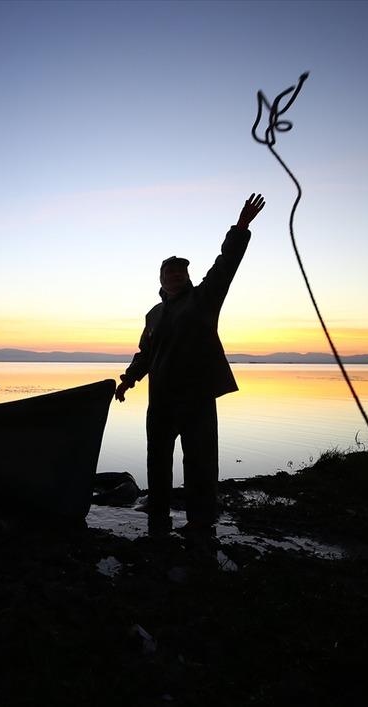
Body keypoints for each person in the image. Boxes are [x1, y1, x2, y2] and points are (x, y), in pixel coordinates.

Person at [115, 193, 266, 535]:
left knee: (200, 464)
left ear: (187, 277)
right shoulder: (153, 315)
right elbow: (145, 355)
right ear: (161, 280)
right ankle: (158, 518)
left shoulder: (203, 299)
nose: (175, 276)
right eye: (169, 272)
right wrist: (128, 380)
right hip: (162, 402)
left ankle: (201, 523)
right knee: (158, 462)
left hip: (196, 399)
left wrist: (240, 227)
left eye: (181, 272)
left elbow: (225, 265)